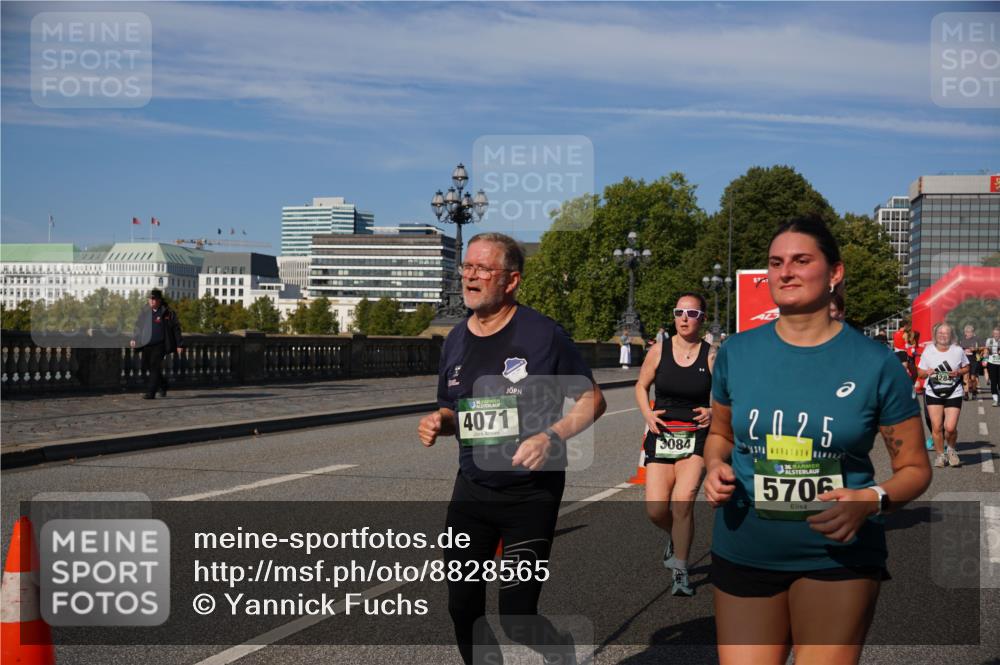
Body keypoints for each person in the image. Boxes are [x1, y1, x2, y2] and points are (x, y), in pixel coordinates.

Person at [703, 215, 931, 665]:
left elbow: (915, 470)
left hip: (838, 557)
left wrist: (871, 499)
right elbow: (719, 433)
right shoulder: (736, 353)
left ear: (835, 273)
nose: (785, 272)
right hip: (745, 547)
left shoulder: (875, 363)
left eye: (801, 260)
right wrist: (714, 467)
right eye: (775, 262)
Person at [417, 232, 606, 665]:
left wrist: (551, 436)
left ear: (512, 281)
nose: (470, 276)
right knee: (462, 608)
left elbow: (593, 398)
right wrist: (438, 422)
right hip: (471, 491)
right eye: (467, 267)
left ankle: (559, 651)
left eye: (483, 269)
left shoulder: (544, 335)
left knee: (517, 614)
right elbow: (453, 411)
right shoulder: (455, 340)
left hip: (530, 496)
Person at [635, 293, 714, 597]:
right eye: (679, 311)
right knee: (656, 509)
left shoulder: (711, 354)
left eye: (691, 313)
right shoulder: (658, 350)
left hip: (696, 435)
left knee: (683, 501)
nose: (683, 318)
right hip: (663, 434)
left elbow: (726, 395)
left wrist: (713, 411)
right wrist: (647, 413)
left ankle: (680, 571)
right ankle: (675, 537)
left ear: (701, 318)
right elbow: (641, 386)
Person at [918, 323, 970, 467]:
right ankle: (941, 455)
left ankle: (951, 449)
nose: (942, 335)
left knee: (950, 427)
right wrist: (926, 372)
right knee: (937, 426)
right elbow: (920, 373)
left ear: (951, 335)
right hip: (933, 392)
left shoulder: (958, 350)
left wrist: (958, 372)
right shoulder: (928, 351)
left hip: (954, 391)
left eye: (946, 333)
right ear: (935, 335)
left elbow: (966, 367)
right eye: (940, 333)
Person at [130, 289, 183, 399]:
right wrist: (134, 338)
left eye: (153, 299)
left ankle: (151, 392)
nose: (151, 301)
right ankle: (163, 384)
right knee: (149, 367)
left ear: (159, 300)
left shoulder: (167, 312)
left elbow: (176, 328)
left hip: (160, 345)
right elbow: (138, 326)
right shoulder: (145, 311)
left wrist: (179, 344)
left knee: (154, 366)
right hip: (146, 344)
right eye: (150, 299)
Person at [959, 324, 982, 401]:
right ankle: (966, 394)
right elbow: (959, 349)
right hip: (965, 361)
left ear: (973, 332)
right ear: (965, 333)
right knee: (965, 377)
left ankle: (974, 391)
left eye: (971, 332)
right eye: (968, 332)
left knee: (973, 378)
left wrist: (975, 349)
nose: (969, 333)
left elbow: (983, 347)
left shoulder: (977, 339)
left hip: (974, 360)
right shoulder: (962, 340)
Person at [985, 327, 1000, 407]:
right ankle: (995, 400)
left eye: (998, 334)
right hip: (992, 362)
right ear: (992, 334)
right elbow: (986, 351)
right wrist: (985, 358)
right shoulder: (989, 341)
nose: (996, 335)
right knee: (993, 382)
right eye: (995, 334)